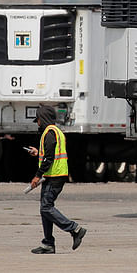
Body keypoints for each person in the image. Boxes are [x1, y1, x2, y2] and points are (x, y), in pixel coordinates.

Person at [27, 105, 86, 254]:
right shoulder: (55, 131)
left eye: (38, 120)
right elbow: (48, 152)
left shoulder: (50, 133)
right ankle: (48, 244)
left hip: (54, 176)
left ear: (43, 119)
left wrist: (37, 175)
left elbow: (49, 158)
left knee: (46, 208)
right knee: (44, 209)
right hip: (54, 175)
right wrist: (37, 152)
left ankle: (75, 229)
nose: (37, 123)